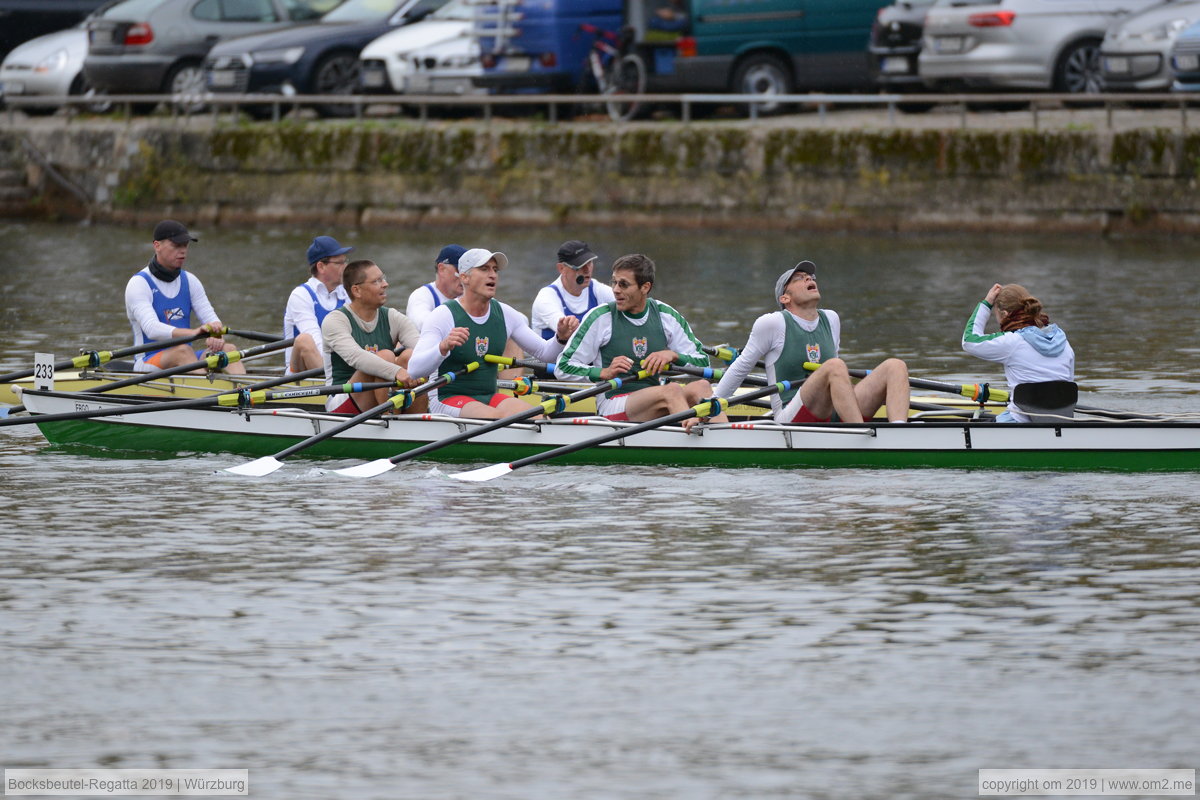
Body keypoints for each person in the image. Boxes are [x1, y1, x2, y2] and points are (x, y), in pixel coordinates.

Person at [713, 260, 910, 423]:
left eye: (810, 277)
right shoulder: (773, 323)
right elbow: (741, 367)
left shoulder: (831, 318)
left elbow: (839, 378)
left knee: (895, 366)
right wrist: (711, 406)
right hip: (790, 414)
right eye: (799, 278)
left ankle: (898, 434)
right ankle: (861, 436)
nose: (808, 278)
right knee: (834, 366)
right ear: (785, 298)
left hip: (832, 410)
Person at [555, 253, 726, 433]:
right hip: (614, 401)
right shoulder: (601, 317)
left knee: (702, 386)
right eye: (614, 282)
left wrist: (674, 356)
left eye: (624, 284)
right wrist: (603, 372)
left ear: (645, 287)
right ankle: (700, 441)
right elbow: (563, 367)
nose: (615, 290)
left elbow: (703, 362)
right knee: (672, 390)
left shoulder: (665, 315)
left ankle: (726, 439)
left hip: (654, 398)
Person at [407, 248, 577, 419]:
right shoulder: (443, 316)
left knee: (539, 418)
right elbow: (414, 370)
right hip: (447, 398)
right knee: (496, 418)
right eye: (484, 269)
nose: (492, 275)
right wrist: (442, 347)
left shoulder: (506, 314)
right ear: (464, 277)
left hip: (489, 396)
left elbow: (545, 353)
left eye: (495, 270)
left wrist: (561, 338)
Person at [124, 219, 245, 375]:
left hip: (186, 358)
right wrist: (194, 332)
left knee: (228, 350)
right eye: (176, 246)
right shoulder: (139, 284)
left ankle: (246, 393)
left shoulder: (190, 281)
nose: (183, 251)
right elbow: (152, 329)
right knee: (183, 351)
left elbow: (211, 318)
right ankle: (207, 394)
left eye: (185, 245)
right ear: (157, 246)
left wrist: (215, 334)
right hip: (148, 362)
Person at [962, 282, 1075, 422]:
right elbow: (1068, 382)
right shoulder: (1063, 341)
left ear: (1004, 314)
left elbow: (969, 341)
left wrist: (986, 303)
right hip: (1061, 420)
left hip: (1020, 421)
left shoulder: (1012, 341)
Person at [321, 259, 421, 414]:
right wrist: (396, 371)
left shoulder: (392, 317)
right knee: (386, 356)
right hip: (341, 402)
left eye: (383, 278)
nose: (385, 284)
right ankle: (392, 421)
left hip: (377, 395)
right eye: (376, 281)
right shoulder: (335, 320)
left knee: (411, 356)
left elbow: (422, 348)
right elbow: (357, 357)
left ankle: (416, 422)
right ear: (357, 291)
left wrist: (442, 348)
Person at [282, 235, 351, 376]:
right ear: (321, 266)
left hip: (337, 366)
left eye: (345, 262)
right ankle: (337, 389)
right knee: (305, 340)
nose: (345, 267)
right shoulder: (301, 295)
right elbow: (316, 340)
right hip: (299, 373)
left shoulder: (346, 293)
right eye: (339, 263)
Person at [530, 239, 616, 341]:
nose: (587, 270)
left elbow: (630, 307)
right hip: (553, 356)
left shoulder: (597, 289)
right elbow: (568, 332)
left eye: (589, 263)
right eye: (579, 266)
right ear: (561, 268)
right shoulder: (546, 298)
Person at [405, 244, 466, 330]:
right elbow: (424, 324)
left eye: (468, 272)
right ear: (442, 269)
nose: (465, 278)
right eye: (460, 271)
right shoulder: (421, 296)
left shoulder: (472, 296)